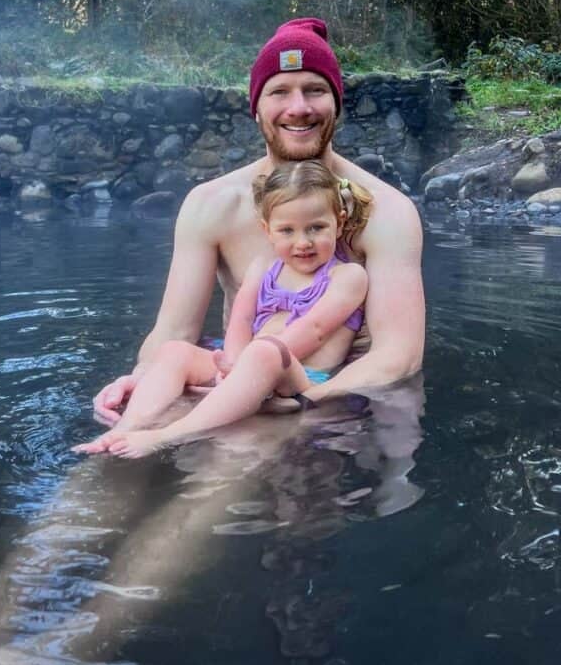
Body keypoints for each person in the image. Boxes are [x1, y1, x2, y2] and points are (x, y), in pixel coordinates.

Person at [94, 17, 425, 423]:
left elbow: (398, 357)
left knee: (217, 481)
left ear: (337, 104)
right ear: (256, 107)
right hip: (225, 373)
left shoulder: (386, 211)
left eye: (315, 90)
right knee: (110, 462)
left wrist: (306, 399)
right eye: (279, 91)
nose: (299, 107)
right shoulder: (212, 204)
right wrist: (141, 376)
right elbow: (174, 331)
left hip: (328, 395)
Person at [76, 162, 371, 456]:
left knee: (266, 350)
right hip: (248, 364)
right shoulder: (265, 266)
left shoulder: (348, 276)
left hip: (301, 379)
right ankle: (126, 428)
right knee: (175, 351)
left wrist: (243, 364)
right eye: (287, 231)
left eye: (316, 228)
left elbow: (315, 330)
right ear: (268, 230)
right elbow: (241, 318)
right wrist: (230, 364)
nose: (302, 242)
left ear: (340, 222)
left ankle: (169, 434)